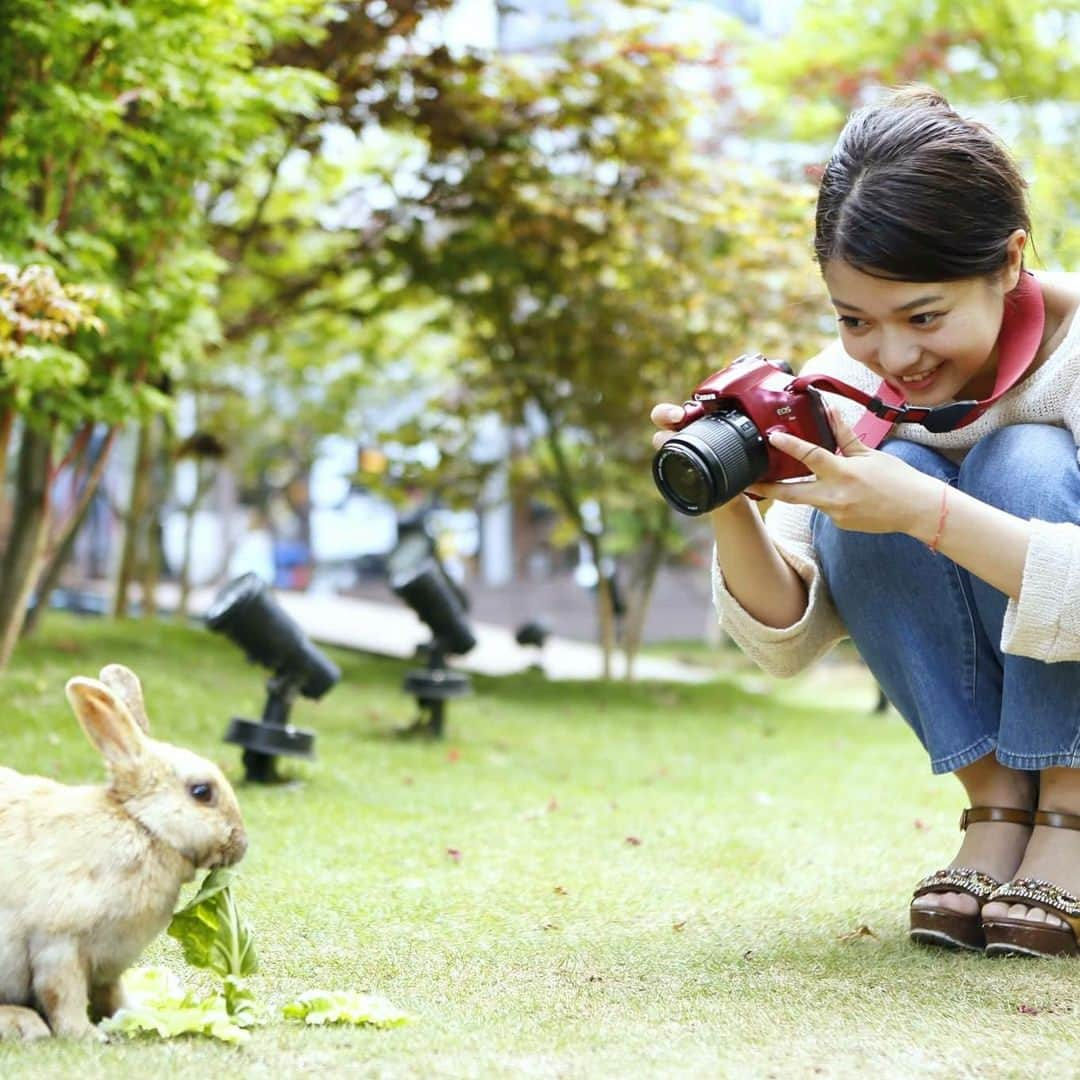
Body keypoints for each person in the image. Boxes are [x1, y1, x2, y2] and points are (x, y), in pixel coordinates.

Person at [652, 86, 1080, 958]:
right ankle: (996, 810)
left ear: (1009, 262)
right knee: (867, 494)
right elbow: (786, 640)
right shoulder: (843, 389)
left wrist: (923, 509)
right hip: (995, 764)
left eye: (924, 317)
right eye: (855, 320)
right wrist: (733, 503)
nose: (893, 355)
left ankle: (1072, 815)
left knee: (1021, 463)